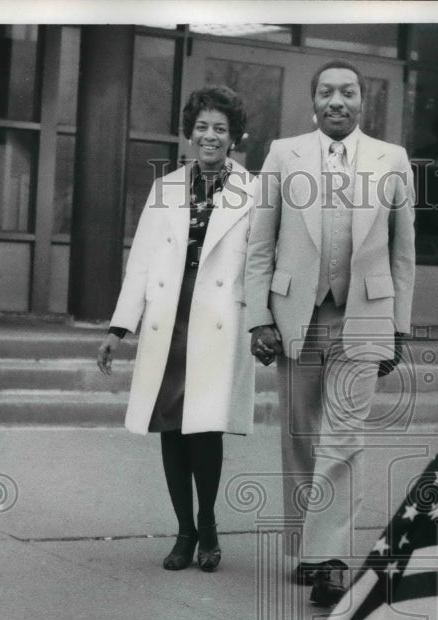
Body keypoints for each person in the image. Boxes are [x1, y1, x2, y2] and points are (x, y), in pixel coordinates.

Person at [244, 59, 416, 607]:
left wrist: (399, 328)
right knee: (299, 434)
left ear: (364, 101)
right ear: (313, 101)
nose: (336, 100)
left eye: (347, 92)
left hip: (365, 316)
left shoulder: (392, 160)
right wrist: (259, 317)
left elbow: (403, 253)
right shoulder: (282, 154)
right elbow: (260, 246)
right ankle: (304, 546)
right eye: (326, 92)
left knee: (344, 438)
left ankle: (330, 560)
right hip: (297, 314)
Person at [97, 86, 255, 572]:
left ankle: (207, 525)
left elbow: (262, 263)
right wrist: (119, 328)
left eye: (220, 129)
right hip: (170, 314)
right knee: (170, 425)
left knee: (204, 427)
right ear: (190, 134)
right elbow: (142, 259)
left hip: (220, 320)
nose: (210, 136)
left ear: (234, 138)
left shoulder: (255, 190)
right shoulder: (166, 188)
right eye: (202, 127)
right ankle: (184, 532)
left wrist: (265, 324)